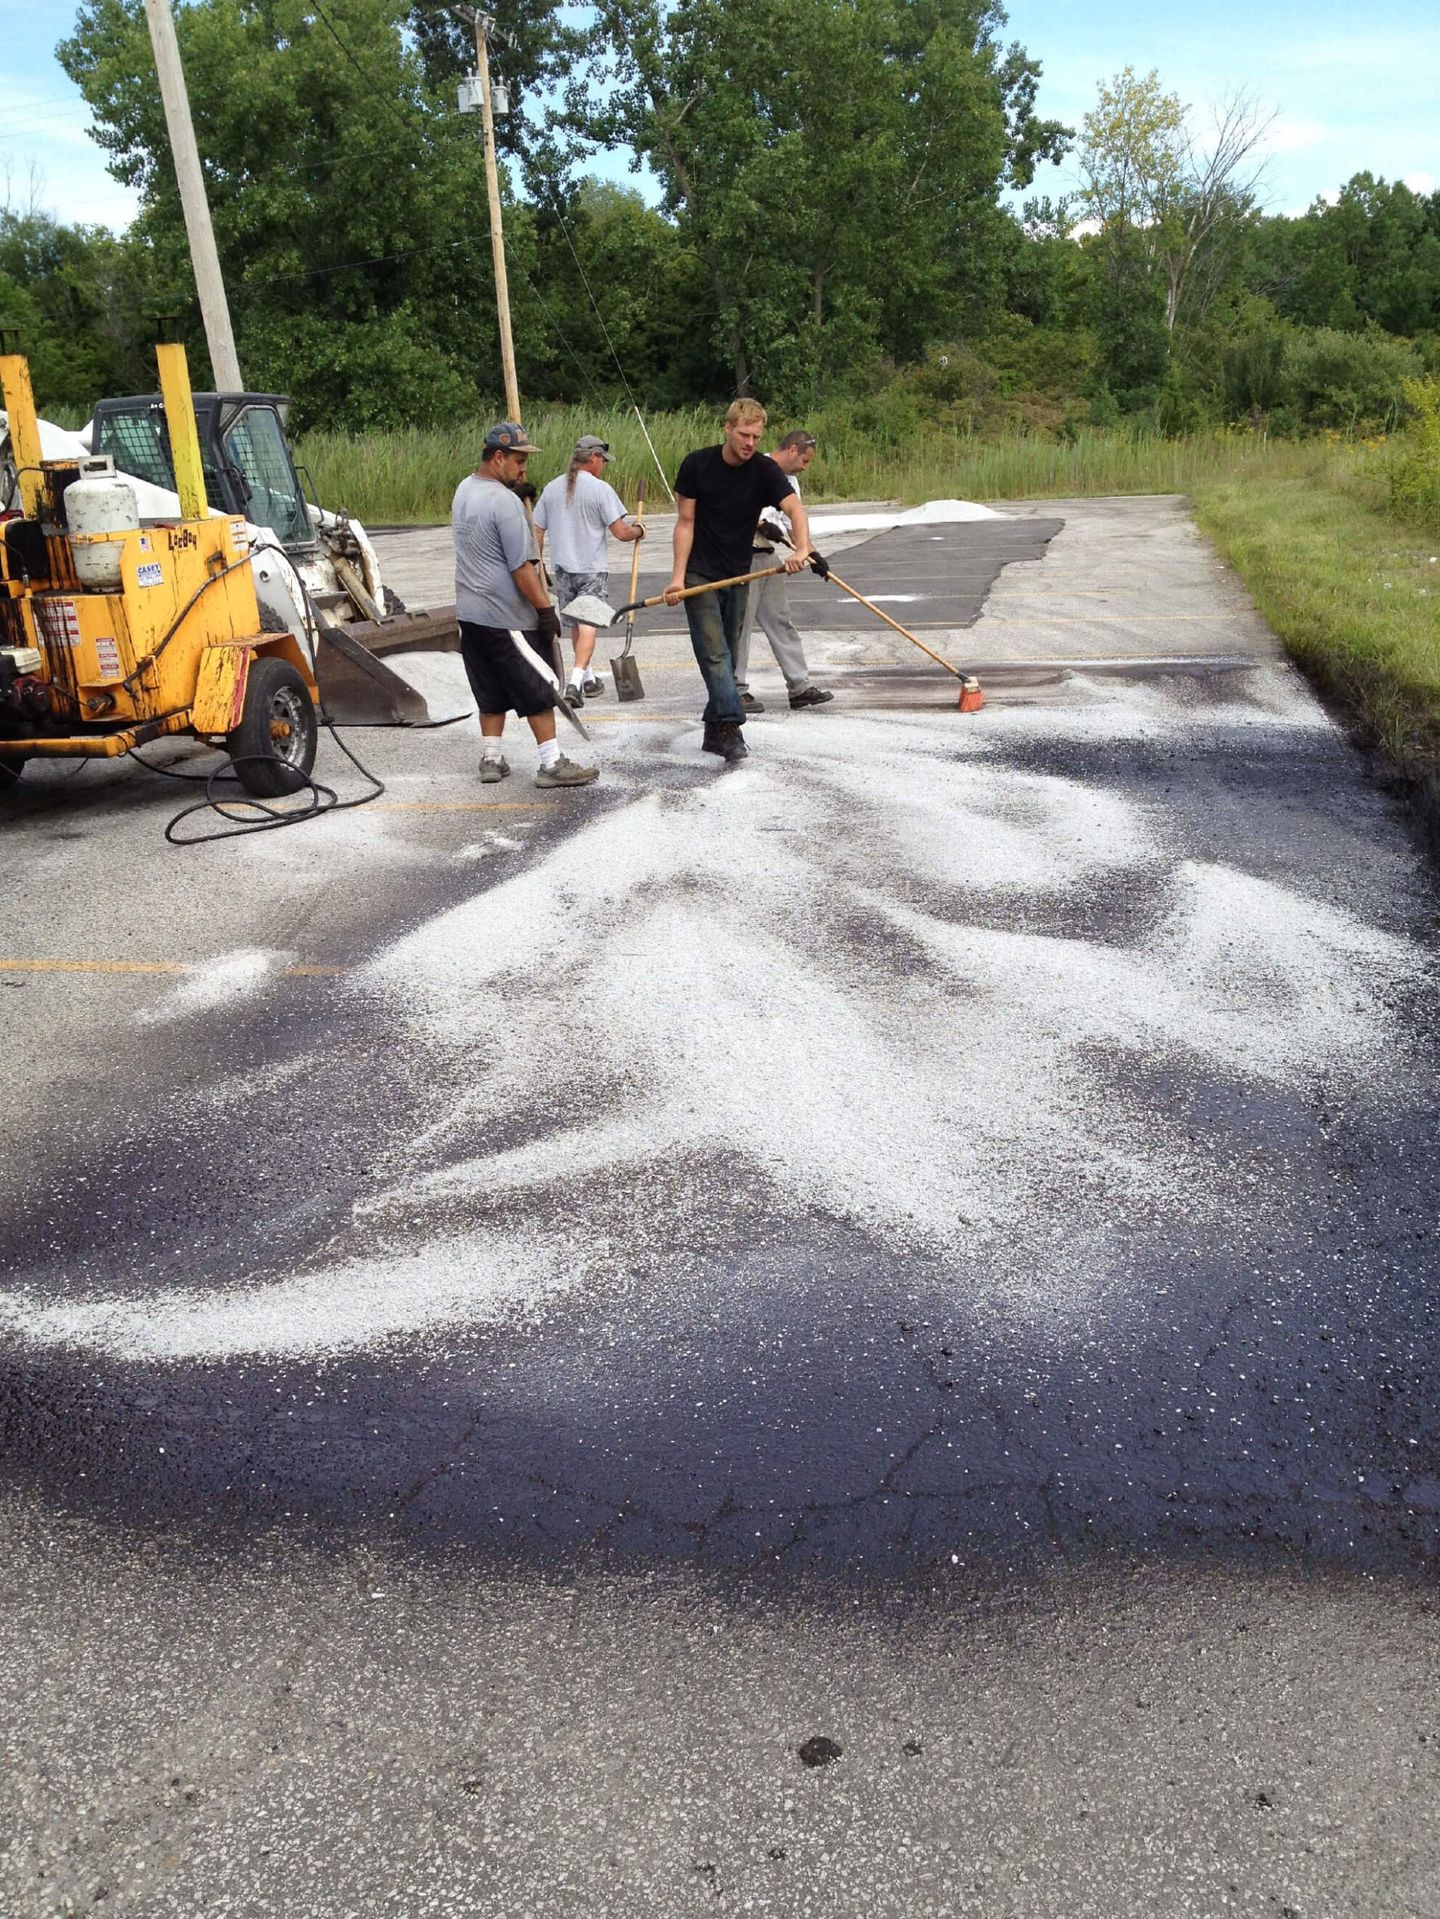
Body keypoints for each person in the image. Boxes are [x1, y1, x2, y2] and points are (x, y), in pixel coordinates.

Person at [663, 398, 816, 763]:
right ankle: (731, 727)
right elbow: (685, 523)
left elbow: (794, 509)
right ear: (728, 428)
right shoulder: (697, 465)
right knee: (714, 653)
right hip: (700, 574)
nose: (750, 443)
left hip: (739, 573)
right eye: (744, 435)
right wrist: (678, 578)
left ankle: (713, 731)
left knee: (728, 657)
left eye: (756, 437)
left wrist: (802, 548)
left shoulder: (764, 470)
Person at [452, 422, 599, 788]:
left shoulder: (465, 489)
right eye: (518, 462)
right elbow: (522, 568)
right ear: (497, 457)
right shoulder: (506, 503)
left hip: (469, 615)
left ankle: (491, 758)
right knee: (539, 685)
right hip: (506, 616)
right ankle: (551, 763)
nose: (523, 470)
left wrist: (513, 495)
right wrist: (545, 610)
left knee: (489, 687)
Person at [533, 435, 646, 708]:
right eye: (603, 460)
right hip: (591, 570)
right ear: (594, 457)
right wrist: (639, 530)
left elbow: (537, 531)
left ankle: (589, 679)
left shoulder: (552, 488)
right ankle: (574, 683)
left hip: (563, 569)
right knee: (587, 625)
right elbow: (621, 533)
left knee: (576, 623)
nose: (603, 465)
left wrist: (538, 564)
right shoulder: (600, 489)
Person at [734, 429, 835, 714]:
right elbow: (732, 507)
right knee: (739, 626)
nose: (805, 467)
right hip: (743, 556)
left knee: (781, 621)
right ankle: (734, 690)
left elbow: (794, 524)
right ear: (792, 450)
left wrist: (811, 553)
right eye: (805, 460)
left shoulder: (790, 482)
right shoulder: (754, 468)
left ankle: (799, 687)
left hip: (768, 557)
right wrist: (759, 524)